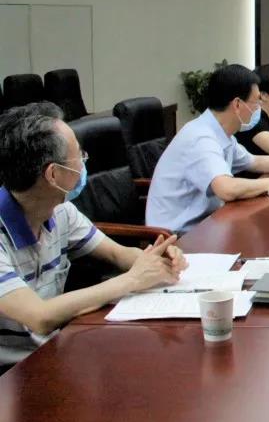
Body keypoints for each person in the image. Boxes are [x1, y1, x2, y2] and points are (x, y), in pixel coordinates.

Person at [0, 103, 188, 368]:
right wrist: (132, 279)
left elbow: (118, 254)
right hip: (13, 374)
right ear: (53, 174)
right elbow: (39, 316)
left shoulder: (61, 211)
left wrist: (156, 260)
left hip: (55, 352)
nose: (85, 160)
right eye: (79, 154)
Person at [146, 64, 269, 234]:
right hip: (178, 237)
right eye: (256, 102)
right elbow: (226, 189)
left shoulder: (220, 132)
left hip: (207, 224)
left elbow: (255, 161)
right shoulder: (201, 137)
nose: (259, 108)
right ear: (237, 104)